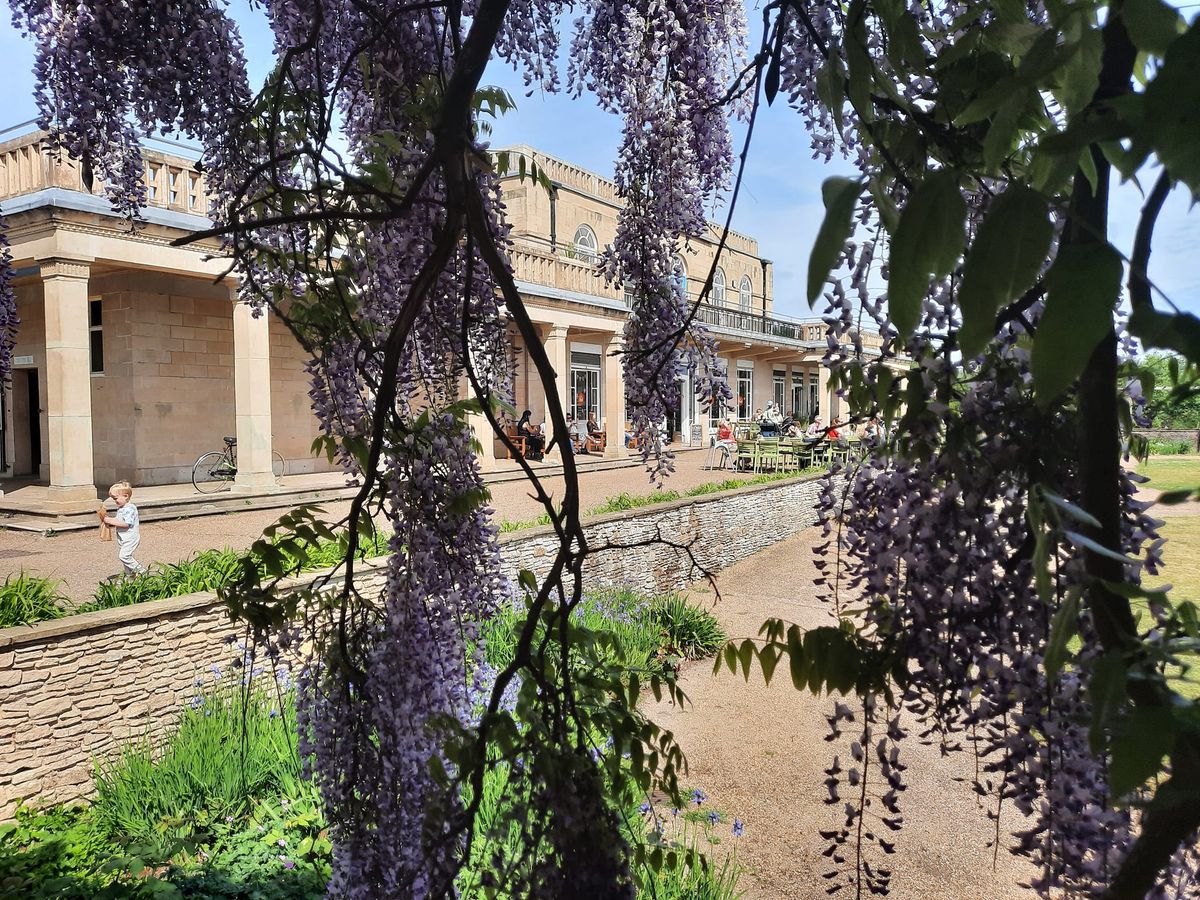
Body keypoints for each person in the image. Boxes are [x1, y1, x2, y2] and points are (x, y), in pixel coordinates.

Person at [98, 481, 148, 576]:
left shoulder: (129, 509)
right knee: (125, 558)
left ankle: (142, 572)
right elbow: (118, 520)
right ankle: (129, 576)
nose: (115, 501)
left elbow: (126, 524)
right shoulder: (122, 508)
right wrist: (109, 520)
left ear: (125, 496)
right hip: (122, 537)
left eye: (116, 498)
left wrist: (110, 521)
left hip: (130, 537)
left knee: (124, 556)